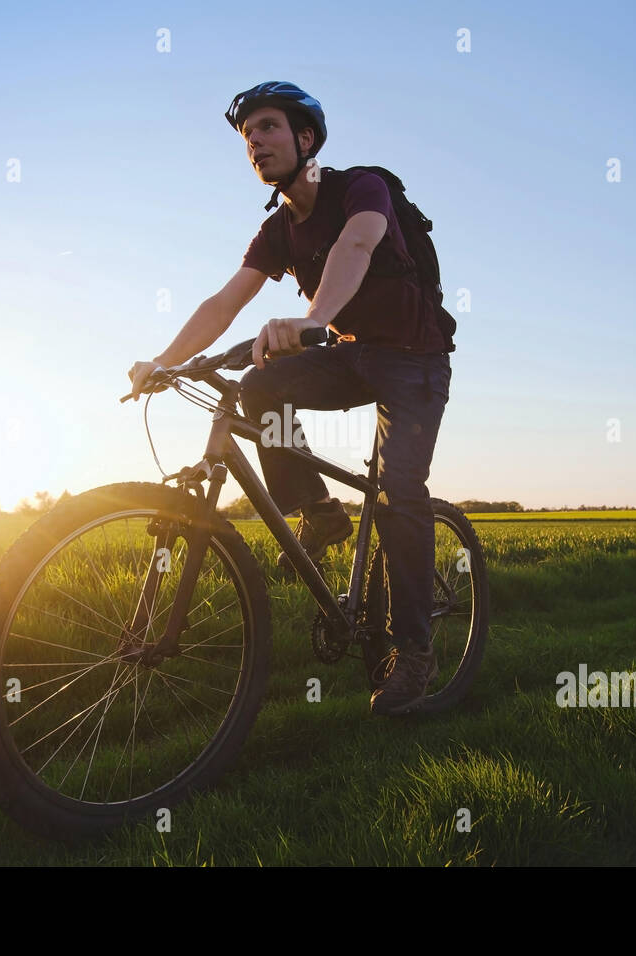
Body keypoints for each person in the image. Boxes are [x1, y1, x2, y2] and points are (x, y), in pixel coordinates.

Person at [128, 81, 453, 716]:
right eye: (248, 136)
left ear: (305, 138)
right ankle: (319, 511)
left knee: (398, 497)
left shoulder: (361, 187)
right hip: (353, 355)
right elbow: (226, 303)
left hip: (415, 358)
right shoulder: (278, 232)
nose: (255, 142)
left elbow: (357, 246)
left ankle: (414, 652)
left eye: (268, 128)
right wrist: (164, 362)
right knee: (260, 385)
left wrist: (313, 319)